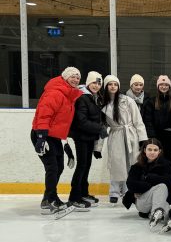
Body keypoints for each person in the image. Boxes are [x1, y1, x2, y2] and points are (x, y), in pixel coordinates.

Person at [31, 67, 83, 216]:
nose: (75, 80)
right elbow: (44, 115)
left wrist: (66, 144)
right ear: (65, 78)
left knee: (58, 166)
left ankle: (48, 198)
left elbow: (62, 122)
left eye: (78, 78)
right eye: (73, 77)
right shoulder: (55, 93)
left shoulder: (68, 96)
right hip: (43, 134)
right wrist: (41, 137)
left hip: (54, 137)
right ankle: (51, 199)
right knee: (52, 167)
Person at [101, 75, 149, 206]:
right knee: (116, 163)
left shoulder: (127, 100)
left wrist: (142, 139)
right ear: (106, 86)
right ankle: (114, 192)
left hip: (131, 134)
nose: (113, 87)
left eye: (115, 84)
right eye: (110, 84)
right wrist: (97, 148)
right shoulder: (102, 103)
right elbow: (102, 126)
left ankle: (129, 191)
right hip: (115, 135)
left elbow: (138, 120)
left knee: (131, 164)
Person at [68, 71, 108, 208]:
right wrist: (99, 128)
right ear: (88, 82)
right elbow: (81, 121)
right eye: (94, 83)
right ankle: (74, 196)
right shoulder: (82, 97)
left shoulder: (95, 97)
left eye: (99, 83)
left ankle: (83, 193)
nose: (96, 86)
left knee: (87, 165)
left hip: (90, 136)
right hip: (81, 136)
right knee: (82, 166)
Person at [123, 138, 171, 229]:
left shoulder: (166, 165)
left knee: (167, 211)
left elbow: (169, 181)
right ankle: (155, 213)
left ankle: (157, 215)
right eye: (149, 149)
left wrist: (148, 178)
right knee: (161, 186)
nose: (152, 152)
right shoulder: (136, 166)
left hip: (159, 199)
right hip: (143, 202)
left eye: (155, 150)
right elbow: (130, 184)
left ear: (159, 151)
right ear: (144, 150)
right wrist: (151, 184)